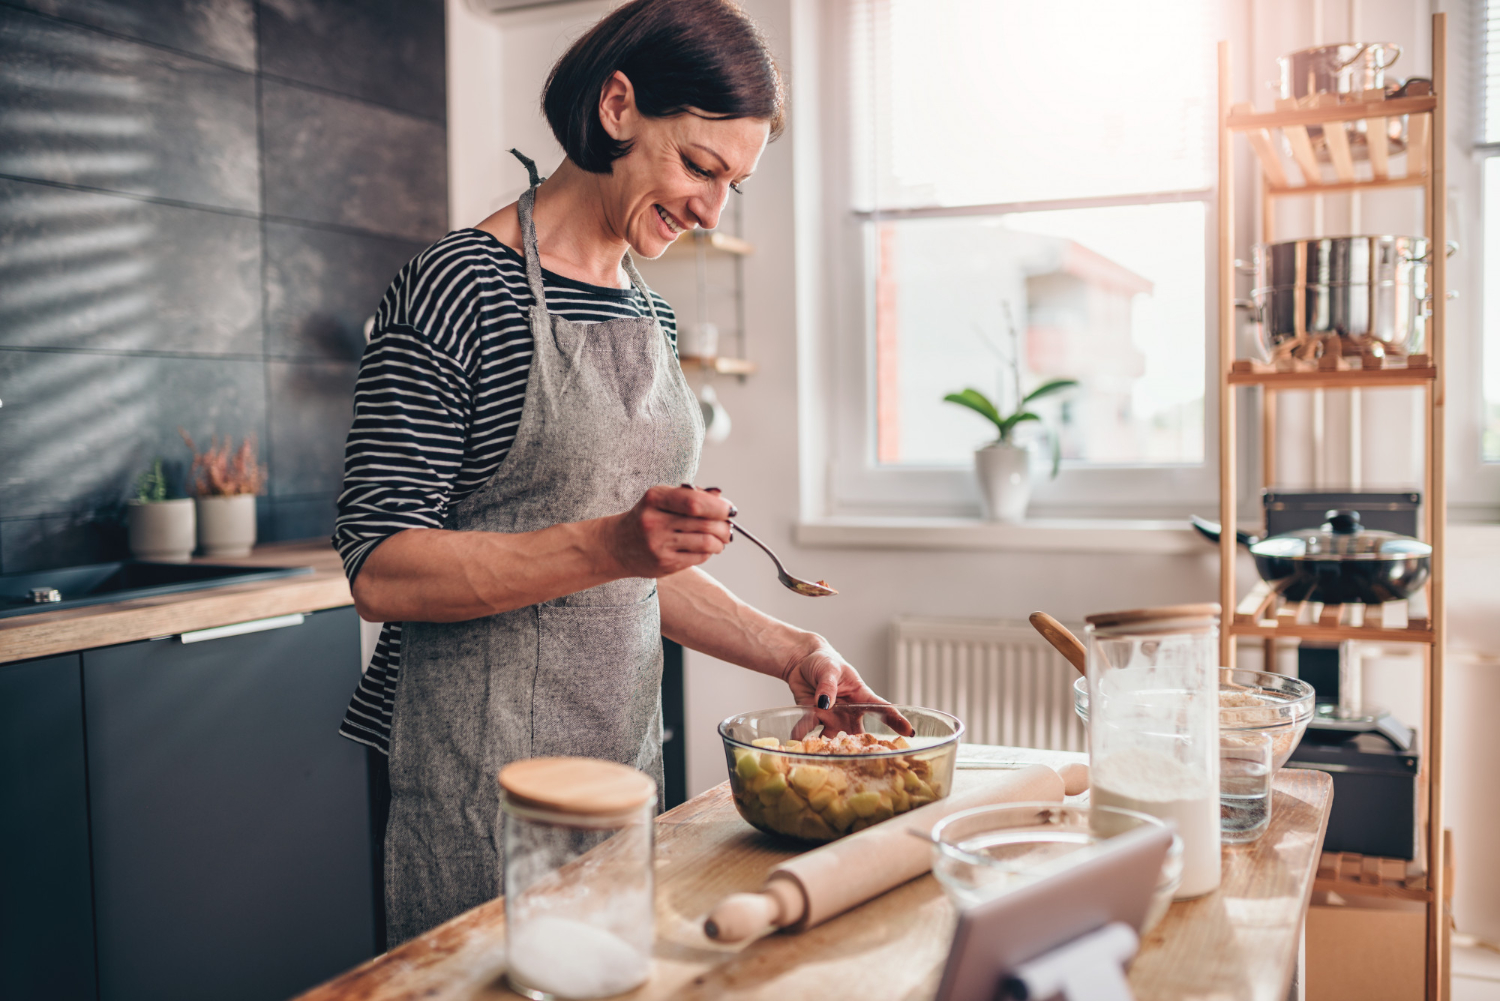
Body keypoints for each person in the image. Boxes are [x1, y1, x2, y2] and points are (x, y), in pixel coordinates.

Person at [331, 0, 902, 946]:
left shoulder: (652, 317)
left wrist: (794, 650)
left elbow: (638, 571)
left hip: (622, 767)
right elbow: (380, 567)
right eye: (699, 167)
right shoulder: (457, 286)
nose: (712, 209)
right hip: (480, 784)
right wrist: (608, 542)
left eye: (735, 185)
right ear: (619, 106)